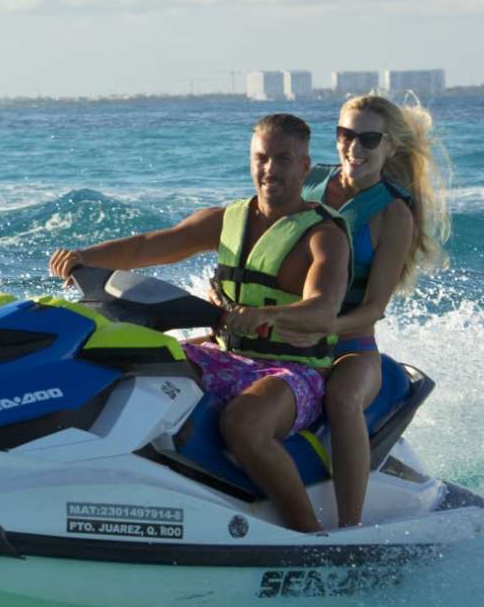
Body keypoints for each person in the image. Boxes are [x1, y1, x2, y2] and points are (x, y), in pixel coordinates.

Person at [48, 113, 348, 533]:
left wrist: (268, 315)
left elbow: (324, 307)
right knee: (129, 369)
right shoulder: (226, 220)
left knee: (244, 423)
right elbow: (151, 246)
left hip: (294, 371)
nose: (270, 169)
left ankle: (310, 535)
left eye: (283, 159)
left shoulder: (323, 235)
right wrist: (85, 257)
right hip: (225, 354)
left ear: (304, 166)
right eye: (261, 157)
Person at [298, 94, 449, 528]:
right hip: (289, 328)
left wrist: (322, 328)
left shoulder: (393, 214)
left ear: (389, 148)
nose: (354, 148)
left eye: (368, 139)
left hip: (350, 343)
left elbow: (372, 310)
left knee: (342, 399)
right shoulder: (308, 184)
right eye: (346, 135)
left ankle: (349, 526)